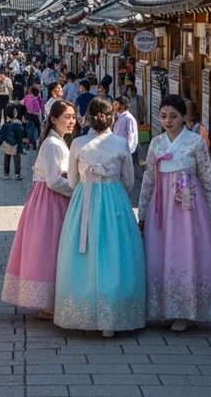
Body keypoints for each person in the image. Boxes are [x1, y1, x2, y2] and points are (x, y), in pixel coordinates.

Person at [53, 97, 146, 338]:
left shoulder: (78, 143)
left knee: (83, 251)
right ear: (111, 118)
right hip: (115, 200)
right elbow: (128, 181)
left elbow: (71, 180)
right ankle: (113, 315)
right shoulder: (121, 143)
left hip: (85, 198)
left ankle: (84, 312)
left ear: (87, 118)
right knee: (116, 251)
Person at [139, 95, 211, 332]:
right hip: (161, 205)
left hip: (188, 207)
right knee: (160, 252)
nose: (168, 121)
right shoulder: (156, 143)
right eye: (163, 116)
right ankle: (165, 307)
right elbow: (148, 179)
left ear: (184, 117)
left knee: (185, 252)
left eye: (173, 116)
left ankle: (185, 310)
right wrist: (143, 211)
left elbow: (207, 176)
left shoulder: (195, 142)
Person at [2, 100, 77, 316]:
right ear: (54, 119)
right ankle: (48, 302)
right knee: (50, 247)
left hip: (51, 199)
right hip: (51, 200)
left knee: (51, 247)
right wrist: (78, 190)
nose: (71, 121)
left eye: (73, 117)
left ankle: (51, 301)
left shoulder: (58, 141)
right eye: (67, 117)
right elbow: (53, 181)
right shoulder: (53, 144)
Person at [0, 105, 29, 180]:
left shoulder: (5, 125)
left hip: (7, 143)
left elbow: (1, 135)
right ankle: (17, 174)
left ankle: (6, 173)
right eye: (15, 112)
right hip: (15, 144)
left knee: (7, 157)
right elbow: (21, 134)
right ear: (14, 114)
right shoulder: (18, 123)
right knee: (16, 158)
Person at [111, 96, 139, 161]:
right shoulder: (117, 116)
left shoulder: (128, 118)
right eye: (113, 104)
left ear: (122, 106)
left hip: (126, 152)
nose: (113, 106)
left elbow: (131, 137)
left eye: (116, 104)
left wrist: (127, 152)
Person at [22, 85, 45, 152]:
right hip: (36, 116)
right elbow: (41, 108)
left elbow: (22, 103)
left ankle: (29, 144)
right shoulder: (38, 98)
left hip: (29, 115)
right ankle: (34, 144)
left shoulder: (28, 97)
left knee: (29, 130)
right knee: (37, 130)